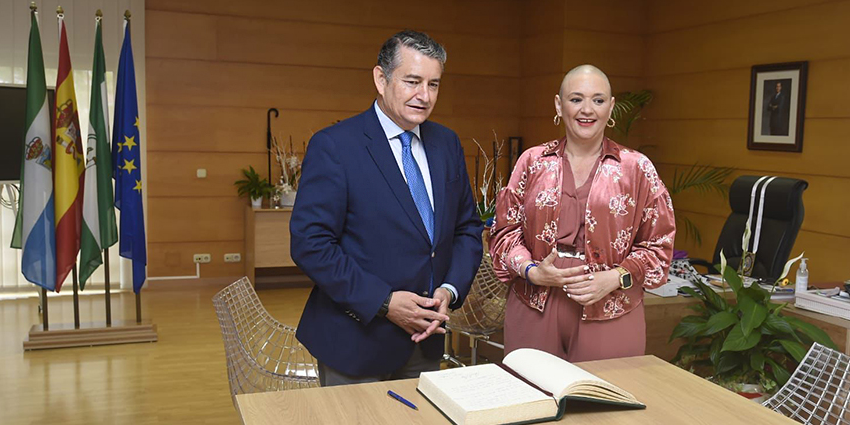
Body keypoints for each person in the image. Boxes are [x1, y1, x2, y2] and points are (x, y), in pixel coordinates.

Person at [290, 30, 483, 386]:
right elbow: (311, 244)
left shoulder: (447, 144)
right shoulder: (335, 146)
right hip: (356, 341)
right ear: (381, 79)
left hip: (425, 340)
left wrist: (449, 290)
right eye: (412, 81)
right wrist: (383, 302)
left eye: (434, 85)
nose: (423, 96)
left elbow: (467, 228)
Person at [490, 65, 676, 362]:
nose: (587, 110)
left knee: (607, 403)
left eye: (598, 100)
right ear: (558, 105)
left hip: (611, 305)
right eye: (576, 99)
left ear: (611, 107)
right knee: (531, 401)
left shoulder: (637, 168)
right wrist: (531, 271)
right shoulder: (532, 162)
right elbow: (504, 234)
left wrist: (616, 278)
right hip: (535, 301)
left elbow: (659, 246)